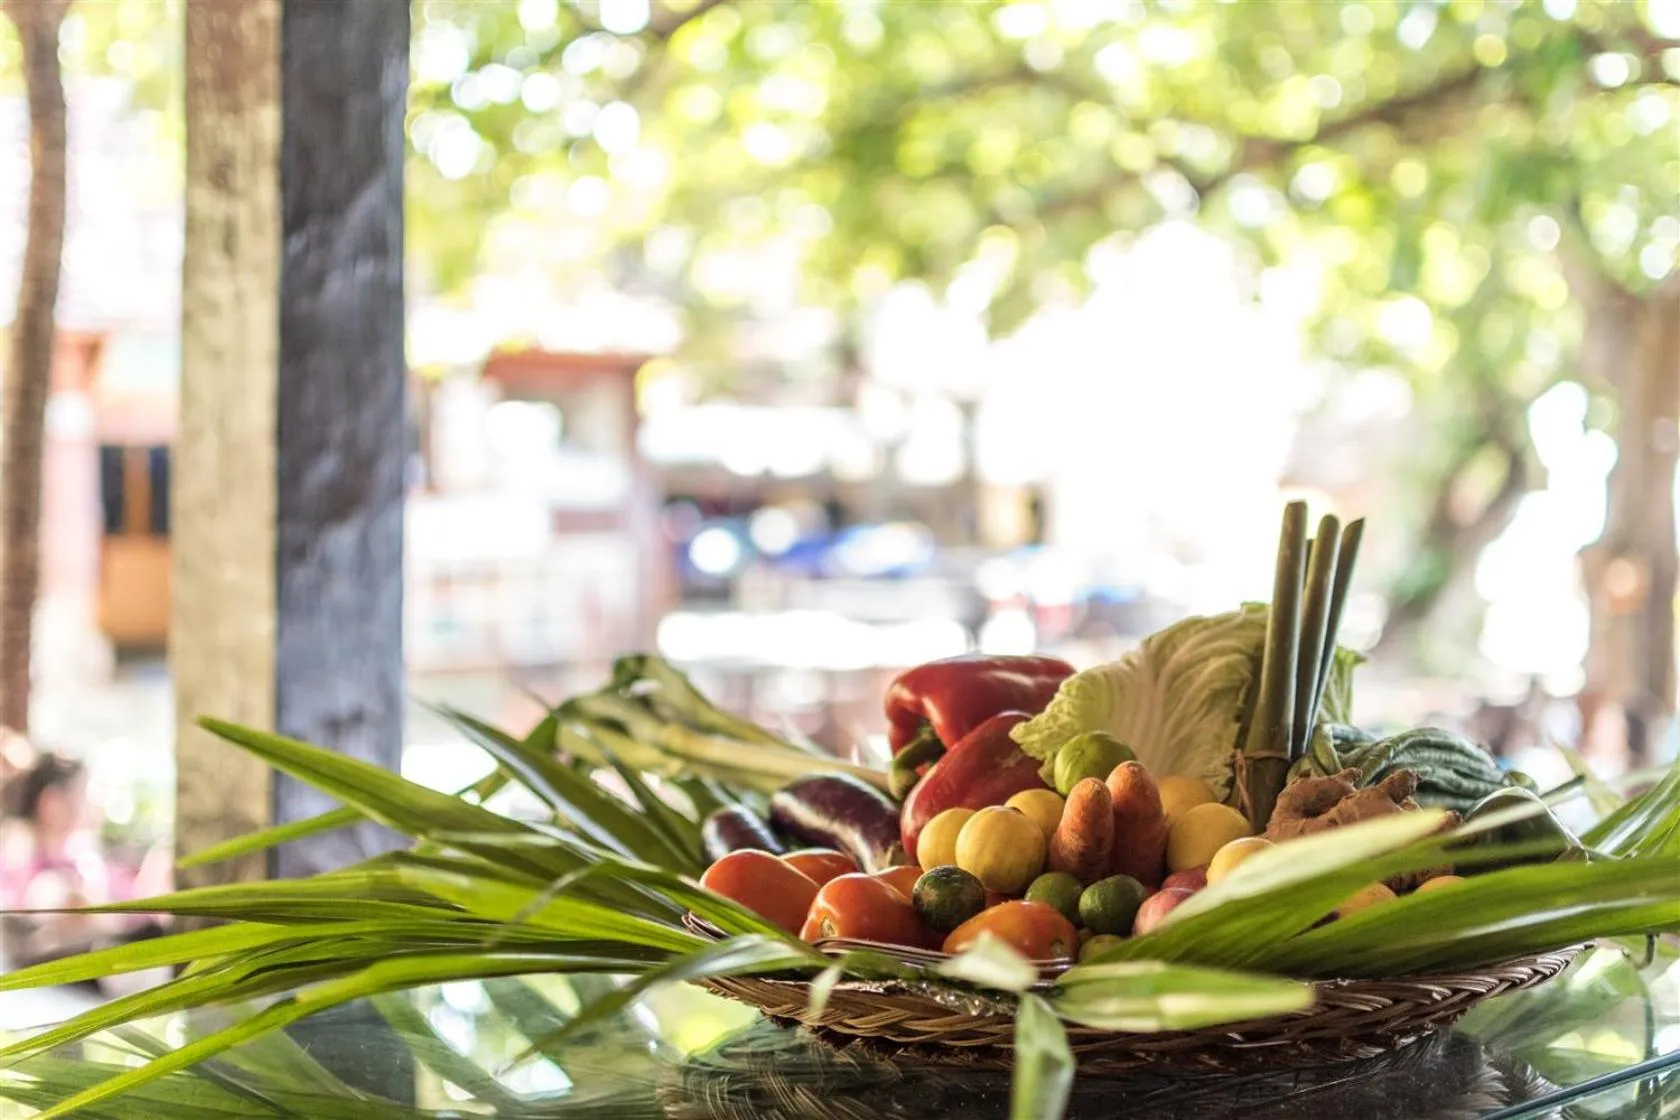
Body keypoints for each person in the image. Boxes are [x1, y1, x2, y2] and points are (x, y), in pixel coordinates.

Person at [1, 753, 171, 974]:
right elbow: (65, 906)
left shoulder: (76, 857)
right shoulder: (23, 860)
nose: (93, 804)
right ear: (51, 803)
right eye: (84, 794)